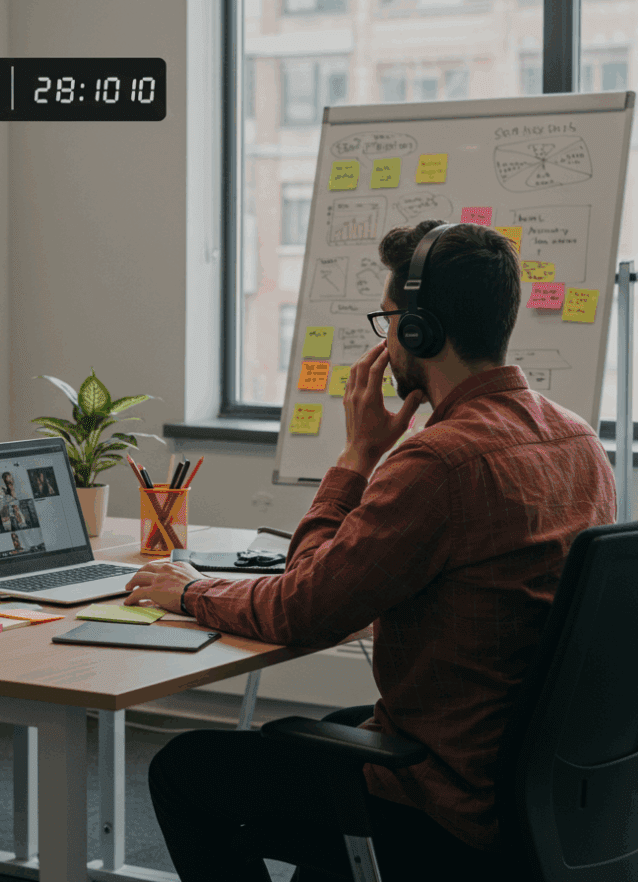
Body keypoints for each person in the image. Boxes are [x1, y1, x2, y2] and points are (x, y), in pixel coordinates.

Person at [125, 222, 616, 882]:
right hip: (540, 785)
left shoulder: (438, 462)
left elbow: (304, 608)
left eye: (389, 319)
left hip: (449, 801)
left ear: (420, 331)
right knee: (321, 733)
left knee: (185, 771)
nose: (385, 337)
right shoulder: (579, 441)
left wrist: (355, 457)